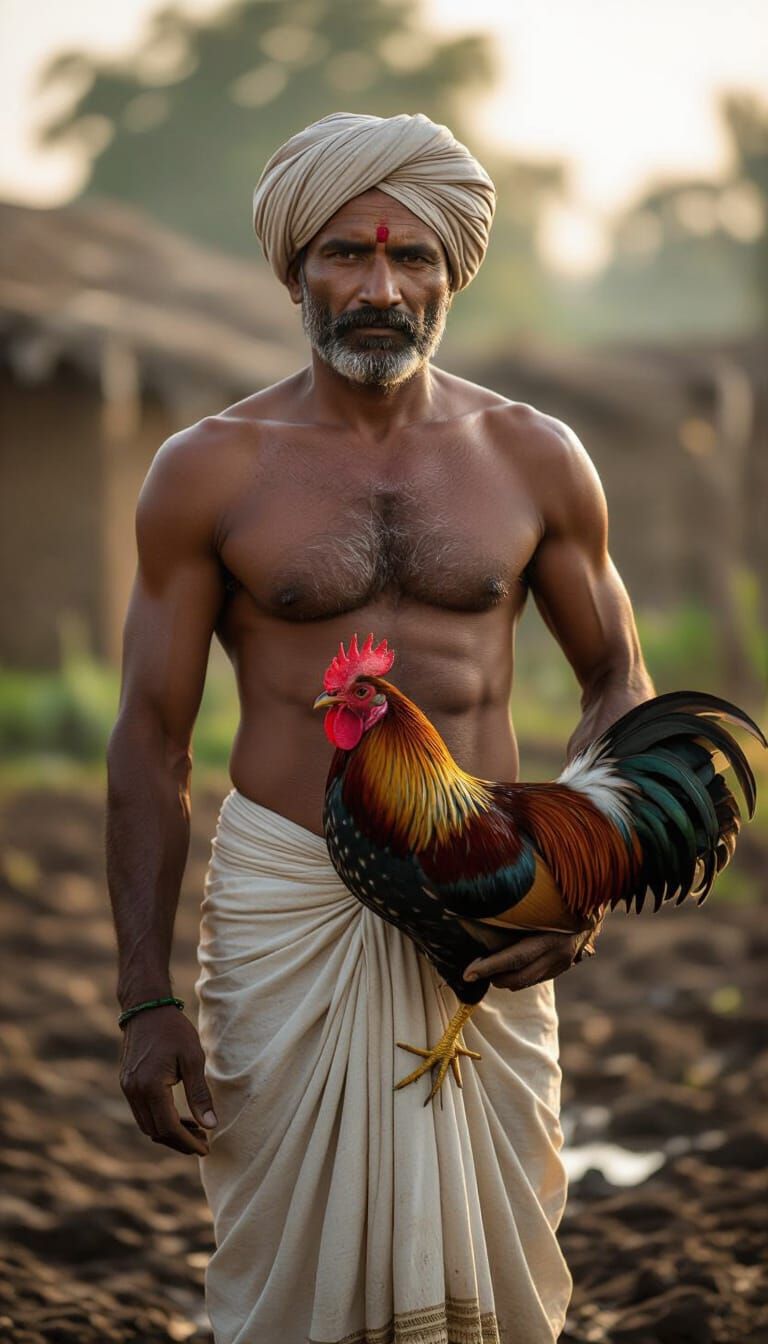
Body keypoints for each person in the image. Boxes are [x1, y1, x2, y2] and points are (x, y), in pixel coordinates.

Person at [107, 111, 655, 1344]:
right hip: (287, 903)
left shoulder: (534, 456)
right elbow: (150, 739)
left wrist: (583, 876)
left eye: (411, 260)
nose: (378, 287)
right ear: (295, 268)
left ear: (453, 273)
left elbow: (617, 675)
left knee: (498, 1255)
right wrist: (144, 998)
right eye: (347, 257)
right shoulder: (210, 468)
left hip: (492, 910)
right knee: (289, 1269)